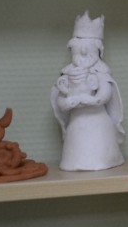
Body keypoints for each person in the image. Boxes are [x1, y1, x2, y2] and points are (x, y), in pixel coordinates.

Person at [51, 12, 124, 171]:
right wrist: (68, 102)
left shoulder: (101, 73)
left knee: (99, 154)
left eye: (89, 49)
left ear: (99, 51)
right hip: (76, 124)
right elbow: (60, 102)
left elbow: (104, 95)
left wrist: (88, 99)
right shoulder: (67, 74)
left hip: (98, 123)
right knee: (76, 154)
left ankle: (105, 159)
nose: (83, 53)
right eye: (78, 50)